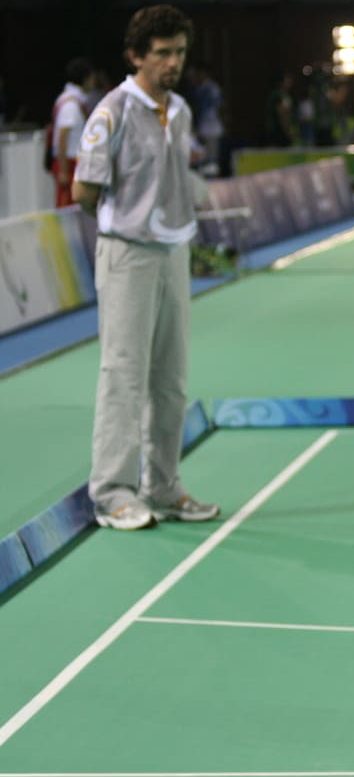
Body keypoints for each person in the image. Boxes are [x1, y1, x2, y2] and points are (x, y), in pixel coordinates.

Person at [72, 4, 220, 530]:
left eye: (179, 52)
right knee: (123, 374)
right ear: (136, 56)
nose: (172, 62)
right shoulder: (111, 111)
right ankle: (112, 493)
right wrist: (128, 221)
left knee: (170, 380)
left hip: (174, 252)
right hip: (128, 254)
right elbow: (83, 191)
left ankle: (162, 486)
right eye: (162, 53)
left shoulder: (179, 109)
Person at [52, 58, 98, 208]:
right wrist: (64, 170)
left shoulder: (75, 100)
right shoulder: (71, 105)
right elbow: (62, 137)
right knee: (68, 206)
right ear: (85, 78)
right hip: (69, 163)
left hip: (72, 162)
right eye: (92, 78)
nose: (94, 82)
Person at [184, 62, 223, 176]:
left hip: (212, 129)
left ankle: (213, 181)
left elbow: (220, 108)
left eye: (198, 74)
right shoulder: (196, 89)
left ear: (204, 74)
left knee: (212, 163)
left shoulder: (212, 88)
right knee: (201, 161)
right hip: (200, 129)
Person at [264, 72, 297, 146]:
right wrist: (287, 131)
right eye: (287, 81)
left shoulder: (286, 95)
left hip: (284, 130)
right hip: (278, 131)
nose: (290, 83)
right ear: (281, 82)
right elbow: (282, 114)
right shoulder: (277, 95)